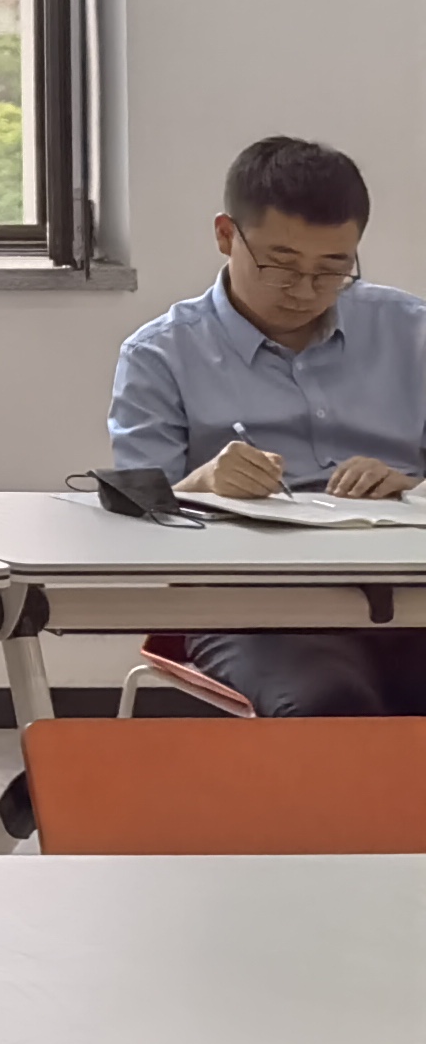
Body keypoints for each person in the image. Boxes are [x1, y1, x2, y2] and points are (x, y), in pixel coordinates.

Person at [112, 135, 426, 713]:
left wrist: (413, 487)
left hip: (411, 595)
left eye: (333, 269)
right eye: (281, 265)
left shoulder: (412, 332)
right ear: (226, 235)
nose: (305, 291)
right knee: (329, 705)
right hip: (253, 609)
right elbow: (138, 514)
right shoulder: (162, 354)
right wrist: (202, 484)